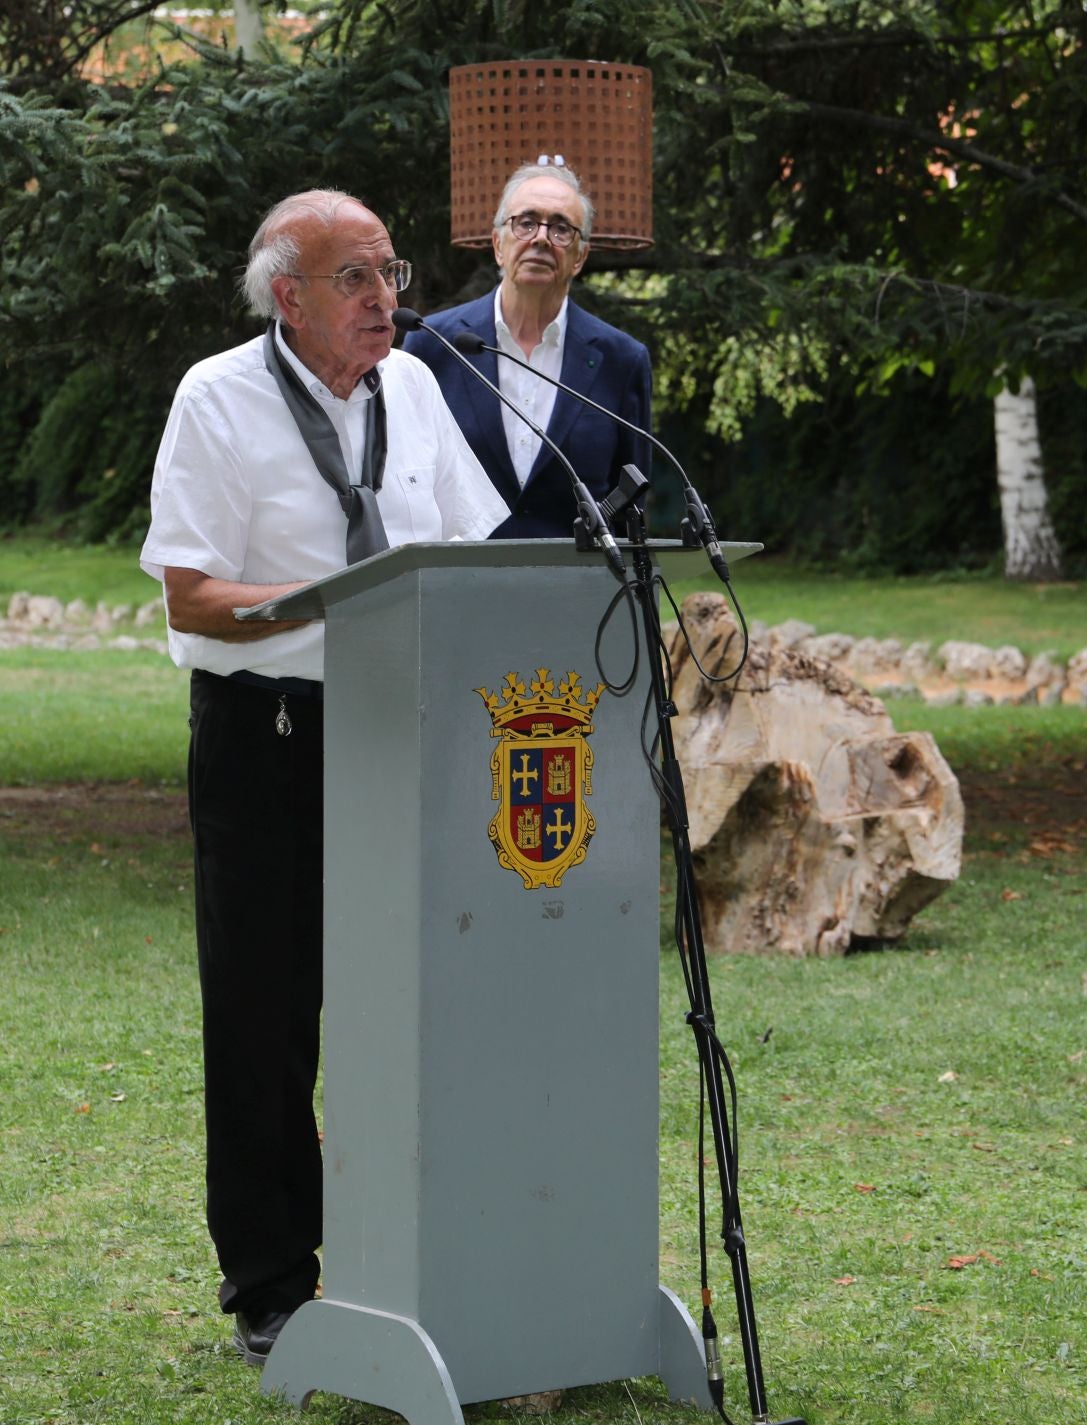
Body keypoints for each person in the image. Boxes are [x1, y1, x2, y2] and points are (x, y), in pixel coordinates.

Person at [138, 190, 508, 1366]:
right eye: (354, 277)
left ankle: (414, 1259)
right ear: (285, 295)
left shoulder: (416, 391)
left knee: (411, 1006)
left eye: (389, 272)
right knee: (264, 1016)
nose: (383, 298)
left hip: (403, 734)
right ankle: (272, 1286)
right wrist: (328, 607)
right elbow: (191, 595)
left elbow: (471, 555)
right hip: (269, 740)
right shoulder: (218, 397)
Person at [403, 163, 654, 538]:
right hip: (460, 583)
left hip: (580, 586)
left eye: (561, 228)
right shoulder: (433, 343)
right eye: (526, 222)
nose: (540, 238)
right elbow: (408, 483)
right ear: (497, 245)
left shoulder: (622, 360)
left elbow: (631, 502)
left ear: (580, 258)